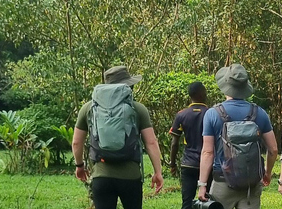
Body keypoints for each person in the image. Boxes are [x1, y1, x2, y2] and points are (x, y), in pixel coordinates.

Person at [72, 66, 164, 209]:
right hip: (131, 177)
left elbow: (76, 143)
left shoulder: (89, 108)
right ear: (128, 86)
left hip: (101, 177)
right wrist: (158, 172)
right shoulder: (137, 109)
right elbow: (151, 142)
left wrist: (79, 166)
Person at [197, 63, 278, 209]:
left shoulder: (212, 114)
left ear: (226, 86)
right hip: (251, 184)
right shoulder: (259, 113)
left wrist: (202, 185)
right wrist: (267, 172)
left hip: (223, 182)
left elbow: (207, 152)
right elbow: (273, 149)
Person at [170, 81, 210, 209]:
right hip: (208, 165)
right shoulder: (211, 113)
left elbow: (174, 143)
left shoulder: (181, 114)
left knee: (186, 202)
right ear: (203, 94)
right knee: (208, 202)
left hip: (188, 164)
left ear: (190, 95)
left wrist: (172, 164)